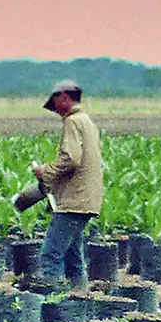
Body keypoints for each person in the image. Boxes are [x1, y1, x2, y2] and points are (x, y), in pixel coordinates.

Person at [27, 80, 104, 291]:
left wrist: (45, 172)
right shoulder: (86, 121)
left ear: (63, 96)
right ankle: (79, 298)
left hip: (74, 201)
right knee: (73, 257)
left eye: (54, 102)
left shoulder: (73, 121)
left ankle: (54, 302)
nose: (56, 110)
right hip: (86, 200)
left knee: (51, 256)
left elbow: (70, 159)